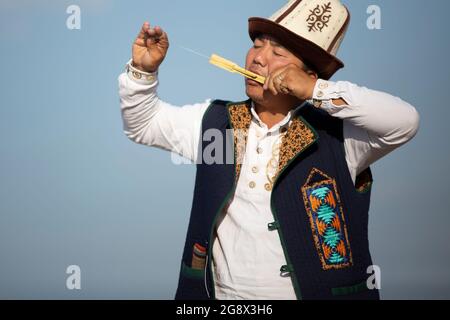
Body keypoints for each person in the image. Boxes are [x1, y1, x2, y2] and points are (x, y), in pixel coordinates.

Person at [118, 0, 419, 300]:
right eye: (257, 45)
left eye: (277, 53)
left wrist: (316, 92)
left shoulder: (338, 134)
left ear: (308, 76)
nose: (258, 59)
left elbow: (405, 121)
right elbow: (143, 125)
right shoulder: (215, 124)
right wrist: (142, 73)